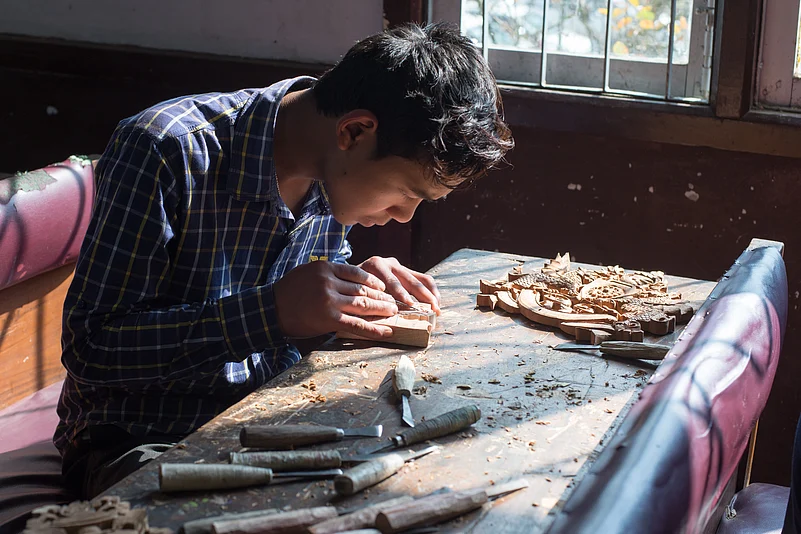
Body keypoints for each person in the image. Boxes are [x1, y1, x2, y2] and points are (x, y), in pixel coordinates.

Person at [55, 22, 513, 498]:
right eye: (406, 192)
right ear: (354, 131)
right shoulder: (167, 147)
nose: (403, 215)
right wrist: (270, 312)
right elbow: (91, 347)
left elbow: (302, 300)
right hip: (141, 438)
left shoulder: (334, 169)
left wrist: (351, 287)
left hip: (270, 414)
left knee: (426, 472)